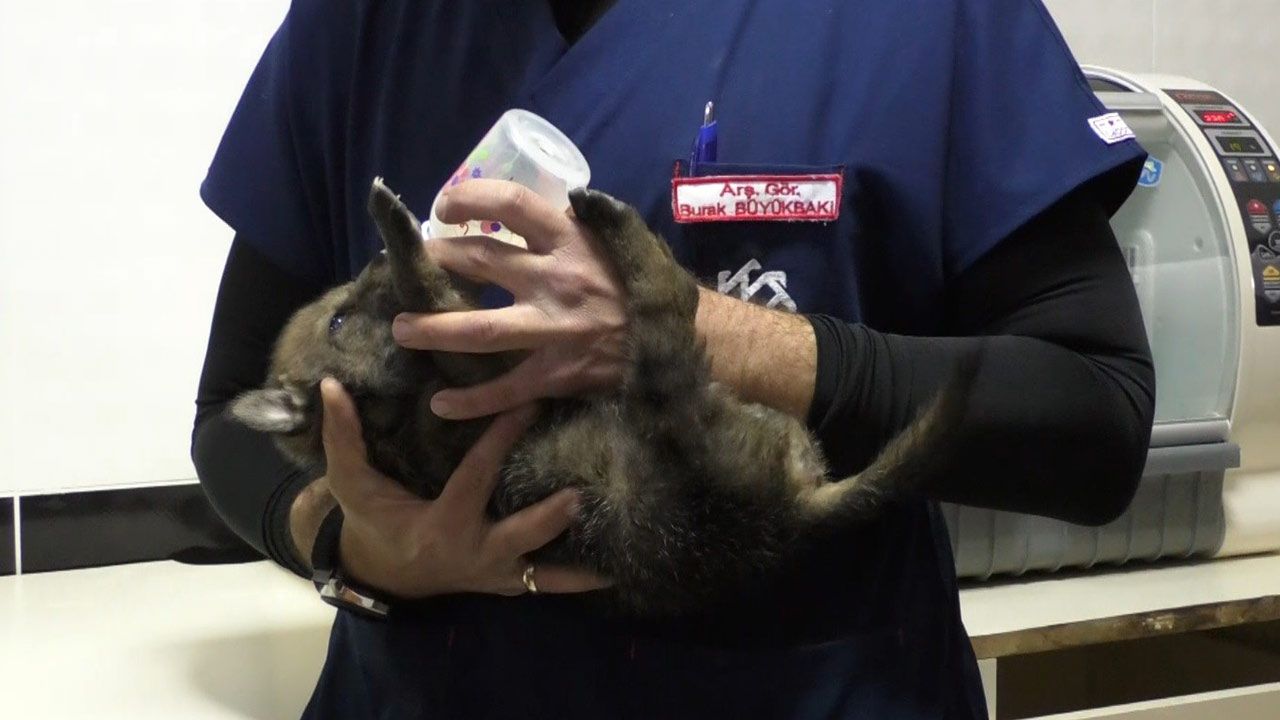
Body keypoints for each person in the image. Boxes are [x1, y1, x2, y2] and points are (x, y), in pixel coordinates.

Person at [191, 0, 1155, 717]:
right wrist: (351, 544)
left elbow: (1095, 414)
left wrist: (689, 334)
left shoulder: (928, 21)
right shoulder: (363, 23)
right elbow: (231, 415)